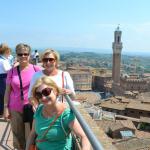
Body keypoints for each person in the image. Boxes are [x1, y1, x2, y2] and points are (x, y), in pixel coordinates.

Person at [26, 76, 90, 150]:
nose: (43, 97)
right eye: (39, 95)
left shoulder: (66, 114)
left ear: (55, 91)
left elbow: (83, 137)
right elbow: (32, 134)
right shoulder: (39, 110)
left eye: (46, 92)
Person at [4, 43, 41, 150]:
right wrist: (6, 108)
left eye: (26, 54)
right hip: (15, 107)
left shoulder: (36, 70)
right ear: (17, 55)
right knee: (17, 134)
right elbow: (7, 91)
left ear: (29, 55)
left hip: (31, 107)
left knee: (32, 134)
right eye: (20, 54)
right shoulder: (12, 71)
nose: (23, 56)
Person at [0, 43, 12, 116]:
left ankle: (1, 111)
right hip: (3, 78)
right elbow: (8, 70)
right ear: (6, 51)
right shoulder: (3, 61)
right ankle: (4, 112)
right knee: (5, 95)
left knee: (1, 95)